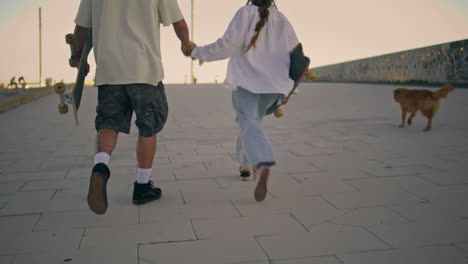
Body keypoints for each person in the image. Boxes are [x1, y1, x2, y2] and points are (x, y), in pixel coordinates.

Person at [72, 0, 193, 214]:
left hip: (109, 69)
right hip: (144, 69)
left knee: (108, 123)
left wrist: (77, 56)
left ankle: (101, 167)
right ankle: (142, 186)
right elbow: (178, 22)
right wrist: (185, 42)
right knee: (148, 127)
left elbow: (82, 28)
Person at [188, 0, 299, 202]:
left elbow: (226, 45)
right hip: (274, 88)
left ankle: (261, 163)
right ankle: (245, 165)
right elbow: (296, 54)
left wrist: (197, 52)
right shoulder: (281, 18)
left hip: (248, 83)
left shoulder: (245, 12)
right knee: (250, 123)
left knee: (248, 123)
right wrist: (290, 90)